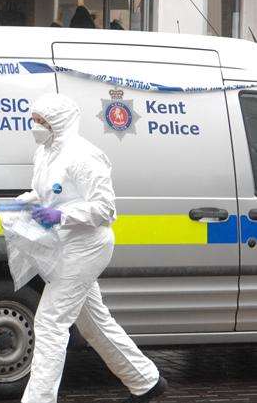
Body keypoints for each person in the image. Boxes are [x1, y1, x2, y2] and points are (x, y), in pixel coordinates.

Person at [18, 94, 167, 403]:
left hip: (87, 247)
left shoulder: (84, 156)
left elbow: (104, 209)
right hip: (65, 245)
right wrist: (30, 200)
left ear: (58, 122)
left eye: (42, 121)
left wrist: (60, 215)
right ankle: (146, 380)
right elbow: (48, 191)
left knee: (50, 322)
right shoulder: (45, 153)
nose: (36, 127)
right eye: (34, 120)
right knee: (93, 322)